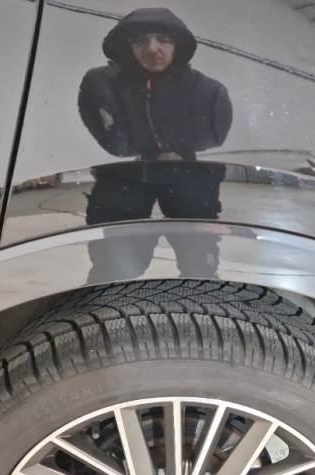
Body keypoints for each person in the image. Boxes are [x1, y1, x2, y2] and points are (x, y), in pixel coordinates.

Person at [77, 7, 233, 281]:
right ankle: (107, 298)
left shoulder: (208, 91)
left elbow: (214, 135)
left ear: (178, 45)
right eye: (141, 41)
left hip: (188, 174)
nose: (152, 49)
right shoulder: (102, 85)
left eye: (164, 39)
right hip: (124, 176)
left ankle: (200, 290)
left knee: (199, 260)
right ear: (127, 46)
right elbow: (105, 133)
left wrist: (178, 149)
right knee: (115, 263)